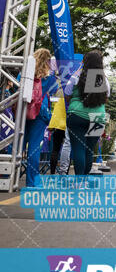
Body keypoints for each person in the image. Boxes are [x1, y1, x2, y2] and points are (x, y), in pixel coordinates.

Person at [64, 50, 110, 175]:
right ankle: (84, 180)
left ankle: (79, 183)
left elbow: (67, 94)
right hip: (97, 118)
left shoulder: (75, 77)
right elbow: (106, 99)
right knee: (89, 150)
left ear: (84, 62)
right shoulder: (105, 81)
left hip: (77, 116)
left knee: (79, 148)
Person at [23, 48, 56, 187]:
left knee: (16, 145)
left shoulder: (25, 71)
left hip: (23, 111)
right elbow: (53, 91)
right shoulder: (49, 77)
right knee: (34, 148)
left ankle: (6, 175)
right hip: (40, 113)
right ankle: (32, 182)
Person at [48, 95, 67, 174]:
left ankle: (52, 173)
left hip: (56, 125)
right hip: (67, 125)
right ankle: (65, 173)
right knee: (67, 149)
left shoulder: (58, 97)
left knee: (55, 150)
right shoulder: (71, 97)